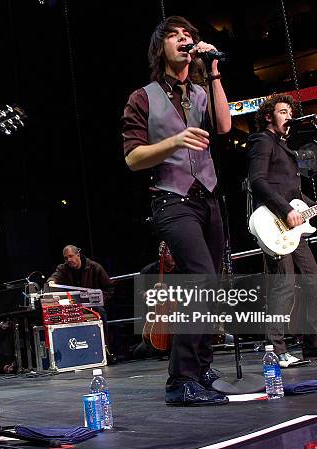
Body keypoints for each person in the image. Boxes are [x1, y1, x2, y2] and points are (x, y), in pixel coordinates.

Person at [122, 16, 231, 406]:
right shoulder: (143, 97)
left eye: (189, 36)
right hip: (171, 198)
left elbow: (223, 125)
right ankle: (180, 380)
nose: (184, 41)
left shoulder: (202, 91)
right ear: (160, 48)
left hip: (208, 196)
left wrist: (214, 72)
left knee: (211, 283)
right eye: (175, 36)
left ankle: (201, 367)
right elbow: (134, 158)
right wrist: (174, 141)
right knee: (199, 278)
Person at [247, 94, 317, 368]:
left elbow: (295, 194)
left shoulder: (285, 147)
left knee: (312, 280)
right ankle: (275, 348)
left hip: (293, 227)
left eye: (290, 112)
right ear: (268, 116)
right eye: (283, 111)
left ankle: (314, 344)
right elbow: (258, 181)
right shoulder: (262, 141)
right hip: (273, 222)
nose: (289, 116)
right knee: (283, 285)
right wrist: (285, 210)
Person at [46, 245, 115, 360]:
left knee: (100, 313)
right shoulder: (63, 268)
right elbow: (54, 278)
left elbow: (109, 289)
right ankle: (69, 356)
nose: (68, 260)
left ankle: (105, 349)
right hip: (73, 306)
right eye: (66, 258)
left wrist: (98, 300)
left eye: (71, 256)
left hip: (92, 307)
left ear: (78, 254)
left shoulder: (95, 267)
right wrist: (51, 281)